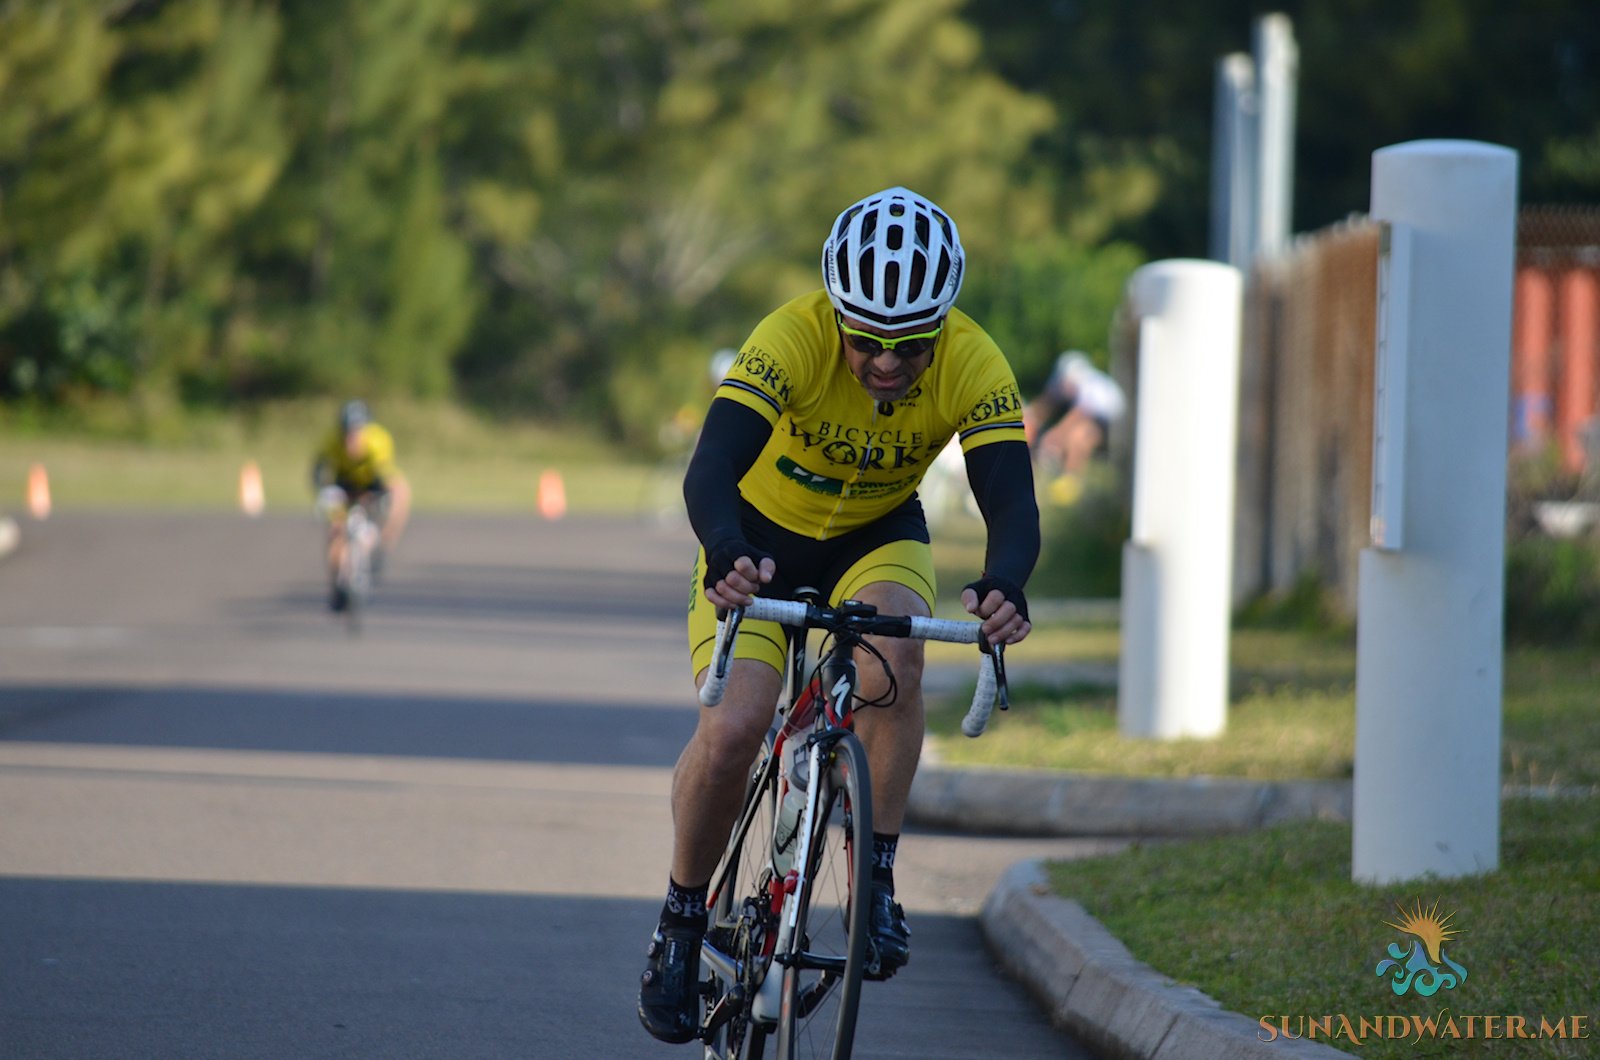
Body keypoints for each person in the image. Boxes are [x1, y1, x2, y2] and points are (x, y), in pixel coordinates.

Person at [638, 186, 1040, 1044]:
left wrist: (1007, 581)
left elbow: (1011, 499)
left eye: (910, 343)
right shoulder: (791, 336)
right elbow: (710, 467)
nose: (887, 362)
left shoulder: (977, 360)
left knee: (896, 662)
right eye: (866, 340)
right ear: (836, 315)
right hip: (755, 539)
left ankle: (877, 884)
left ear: (944, 324)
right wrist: (723, 550)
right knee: (739, 722)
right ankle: (678, 921)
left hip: (875, 533)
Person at [310, 400, 412, 611]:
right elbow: (318, 472)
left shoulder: (378, 441)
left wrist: (384, 498)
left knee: (402, 492)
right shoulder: (331, 442)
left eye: (356, 433)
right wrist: (324, 493)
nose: (351, 440)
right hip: (342, 485)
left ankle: (383, 545)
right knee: (336, 531)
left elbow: (387, 477)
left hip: (371, 484)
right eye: (347, 434)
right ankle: (336, 584)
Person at [1022, 350, 1126, 505]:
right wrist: (1028, 419)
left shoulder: (1090, 384)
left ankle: (1071, 482)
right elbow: (1046, 405)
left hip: (1113, 427)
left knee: (1079, 435)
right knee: (1069, 434)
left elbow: (1081, 415)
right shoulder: (1065, 381)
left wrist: (1055, 436)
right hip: (1095, 421)